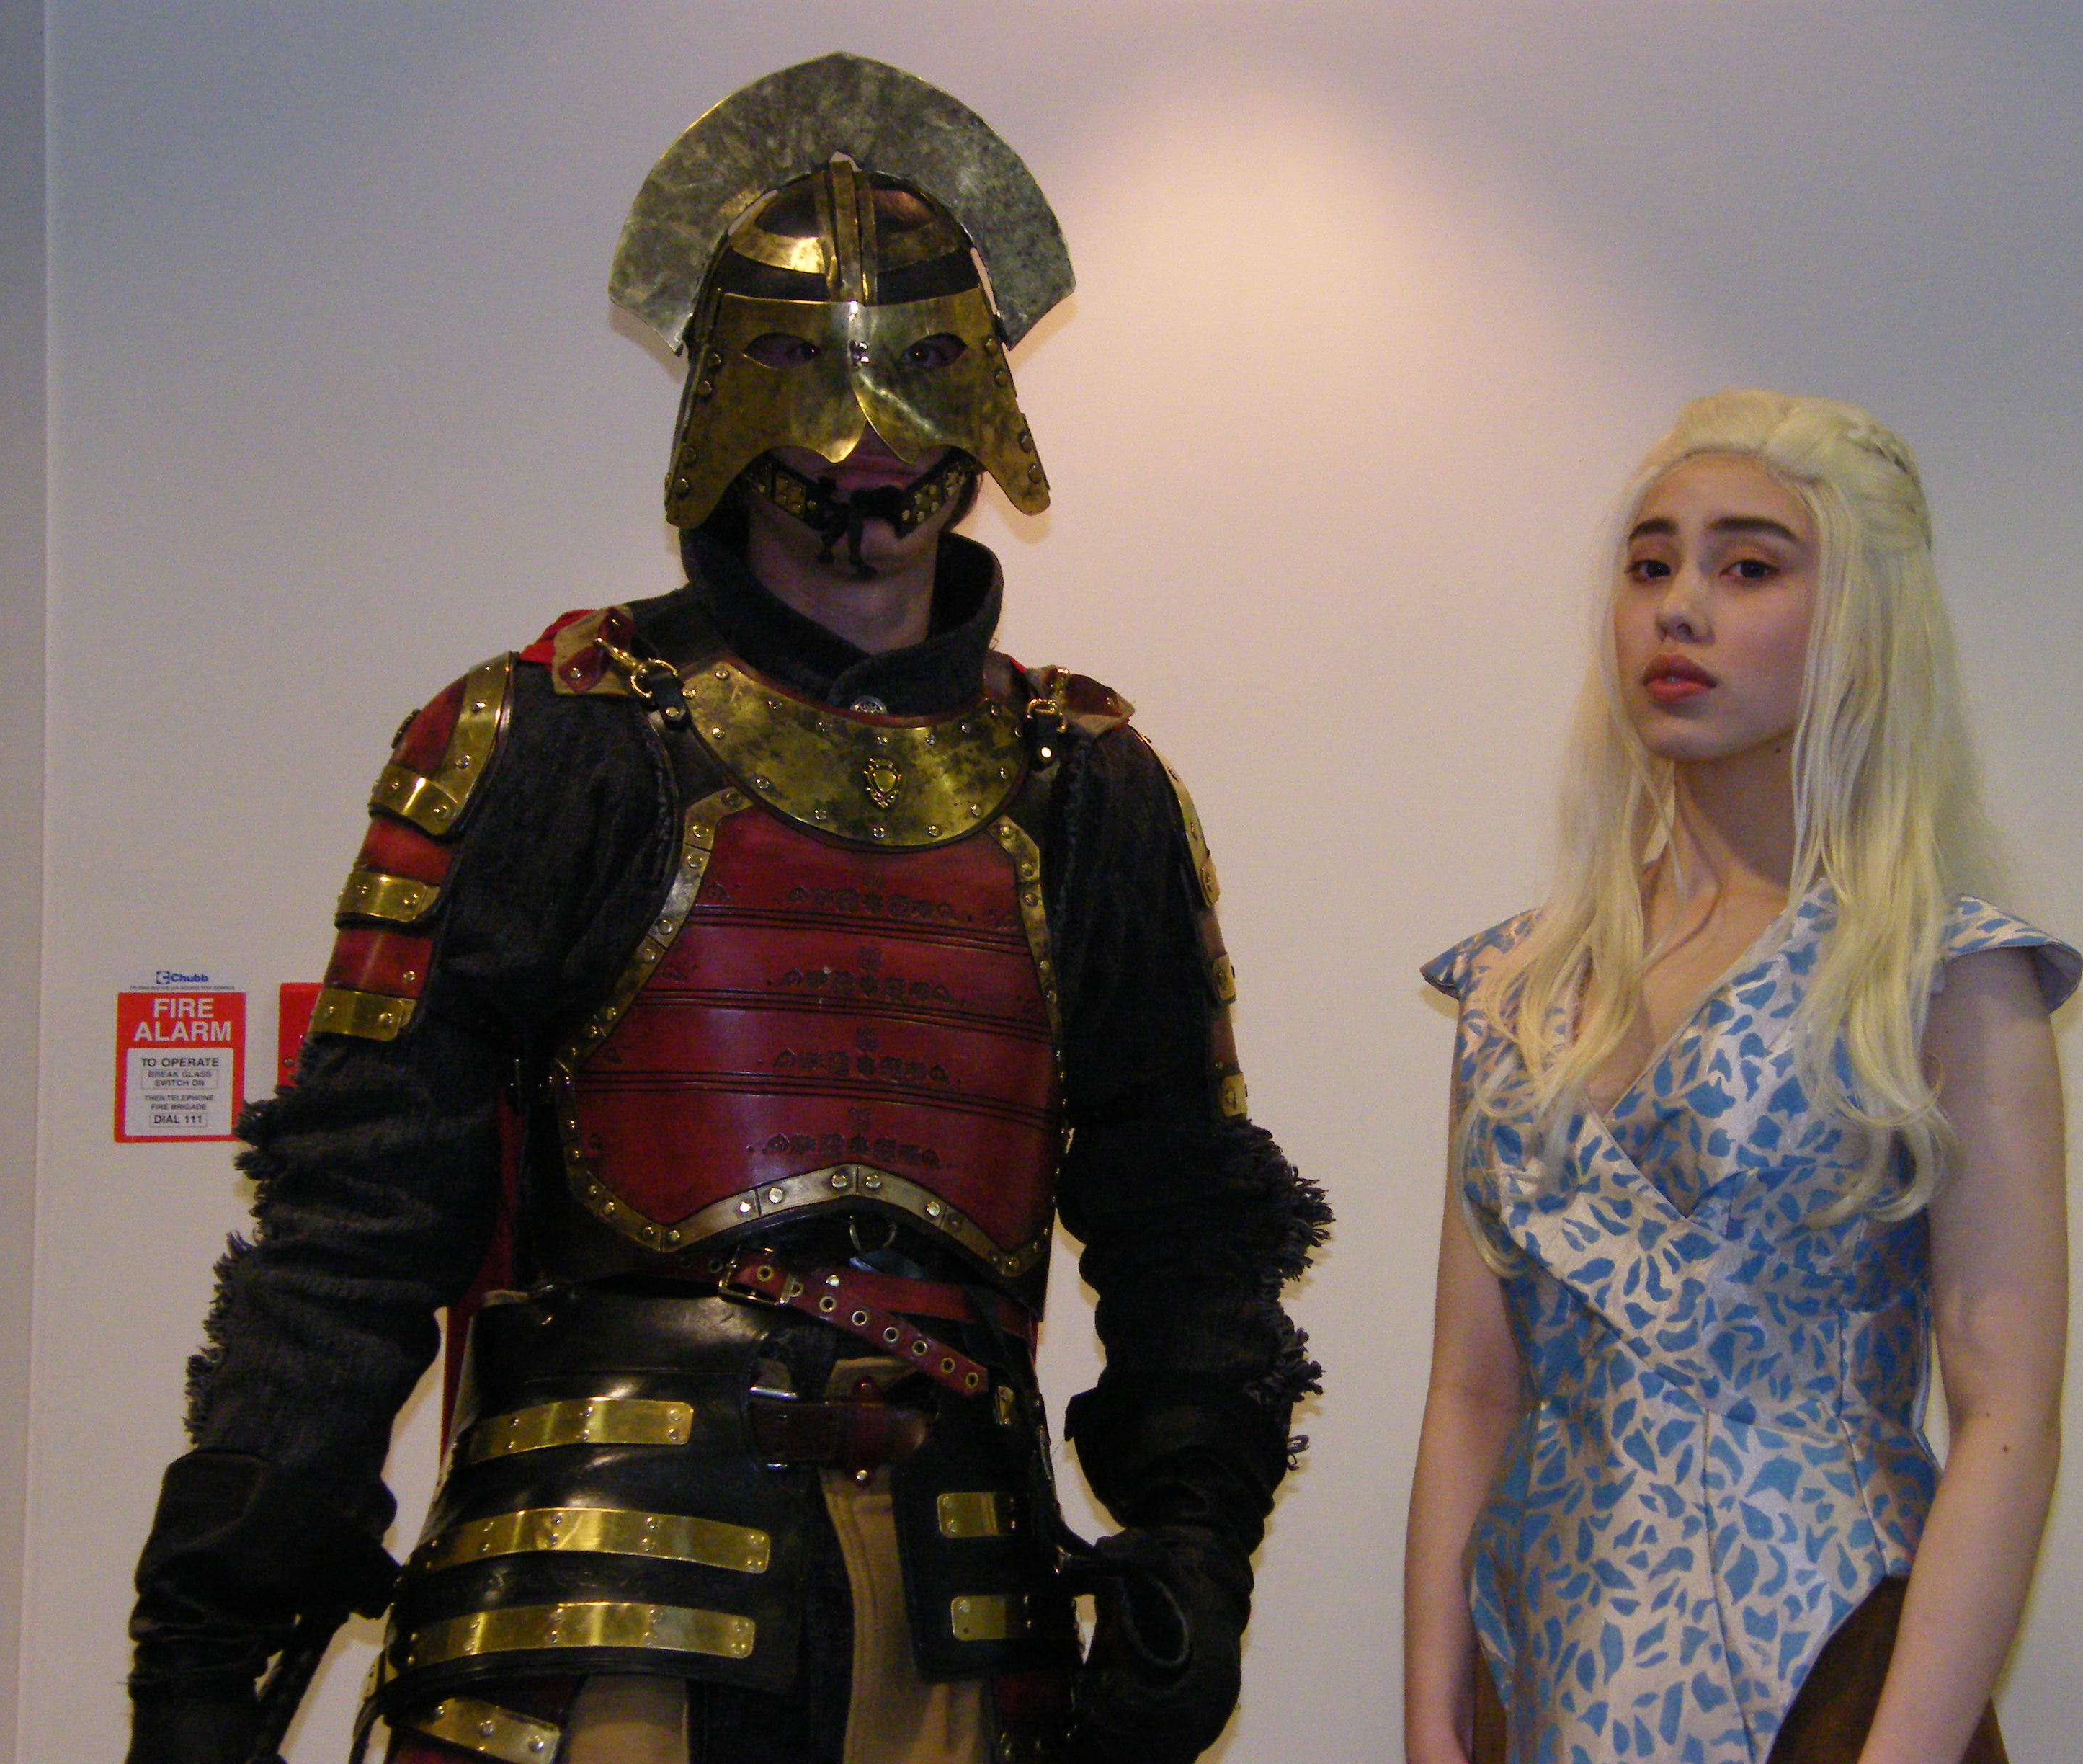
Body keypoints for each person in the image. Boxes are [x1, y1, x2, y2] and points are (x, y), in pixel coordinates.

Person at [126, 54, 1326, 1764]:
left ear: (985, 402)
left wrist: (1198, 1533)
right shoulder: (549, 743)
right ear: (723, 404)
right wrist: (213, 1624)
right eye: (805, 376)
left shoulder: (1089, 786)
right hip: (583, 1601)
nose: (863, 439)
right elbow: (364, 1214)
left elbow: (1183, 1214)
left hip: (960, 1614)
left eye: (918, 376)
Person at [1404, 391, 2077, 1764]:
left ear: (1864, 622)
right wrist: (1432, 1720)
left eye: (1749, 566)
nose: (1680, 608)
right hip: (1552, 1662)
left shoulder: (1945, 976)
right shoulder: (1516, 988)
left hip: (1840, 1670)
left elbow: (2007, 1411)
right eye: (1651, 565)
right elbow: (1473, 1391)